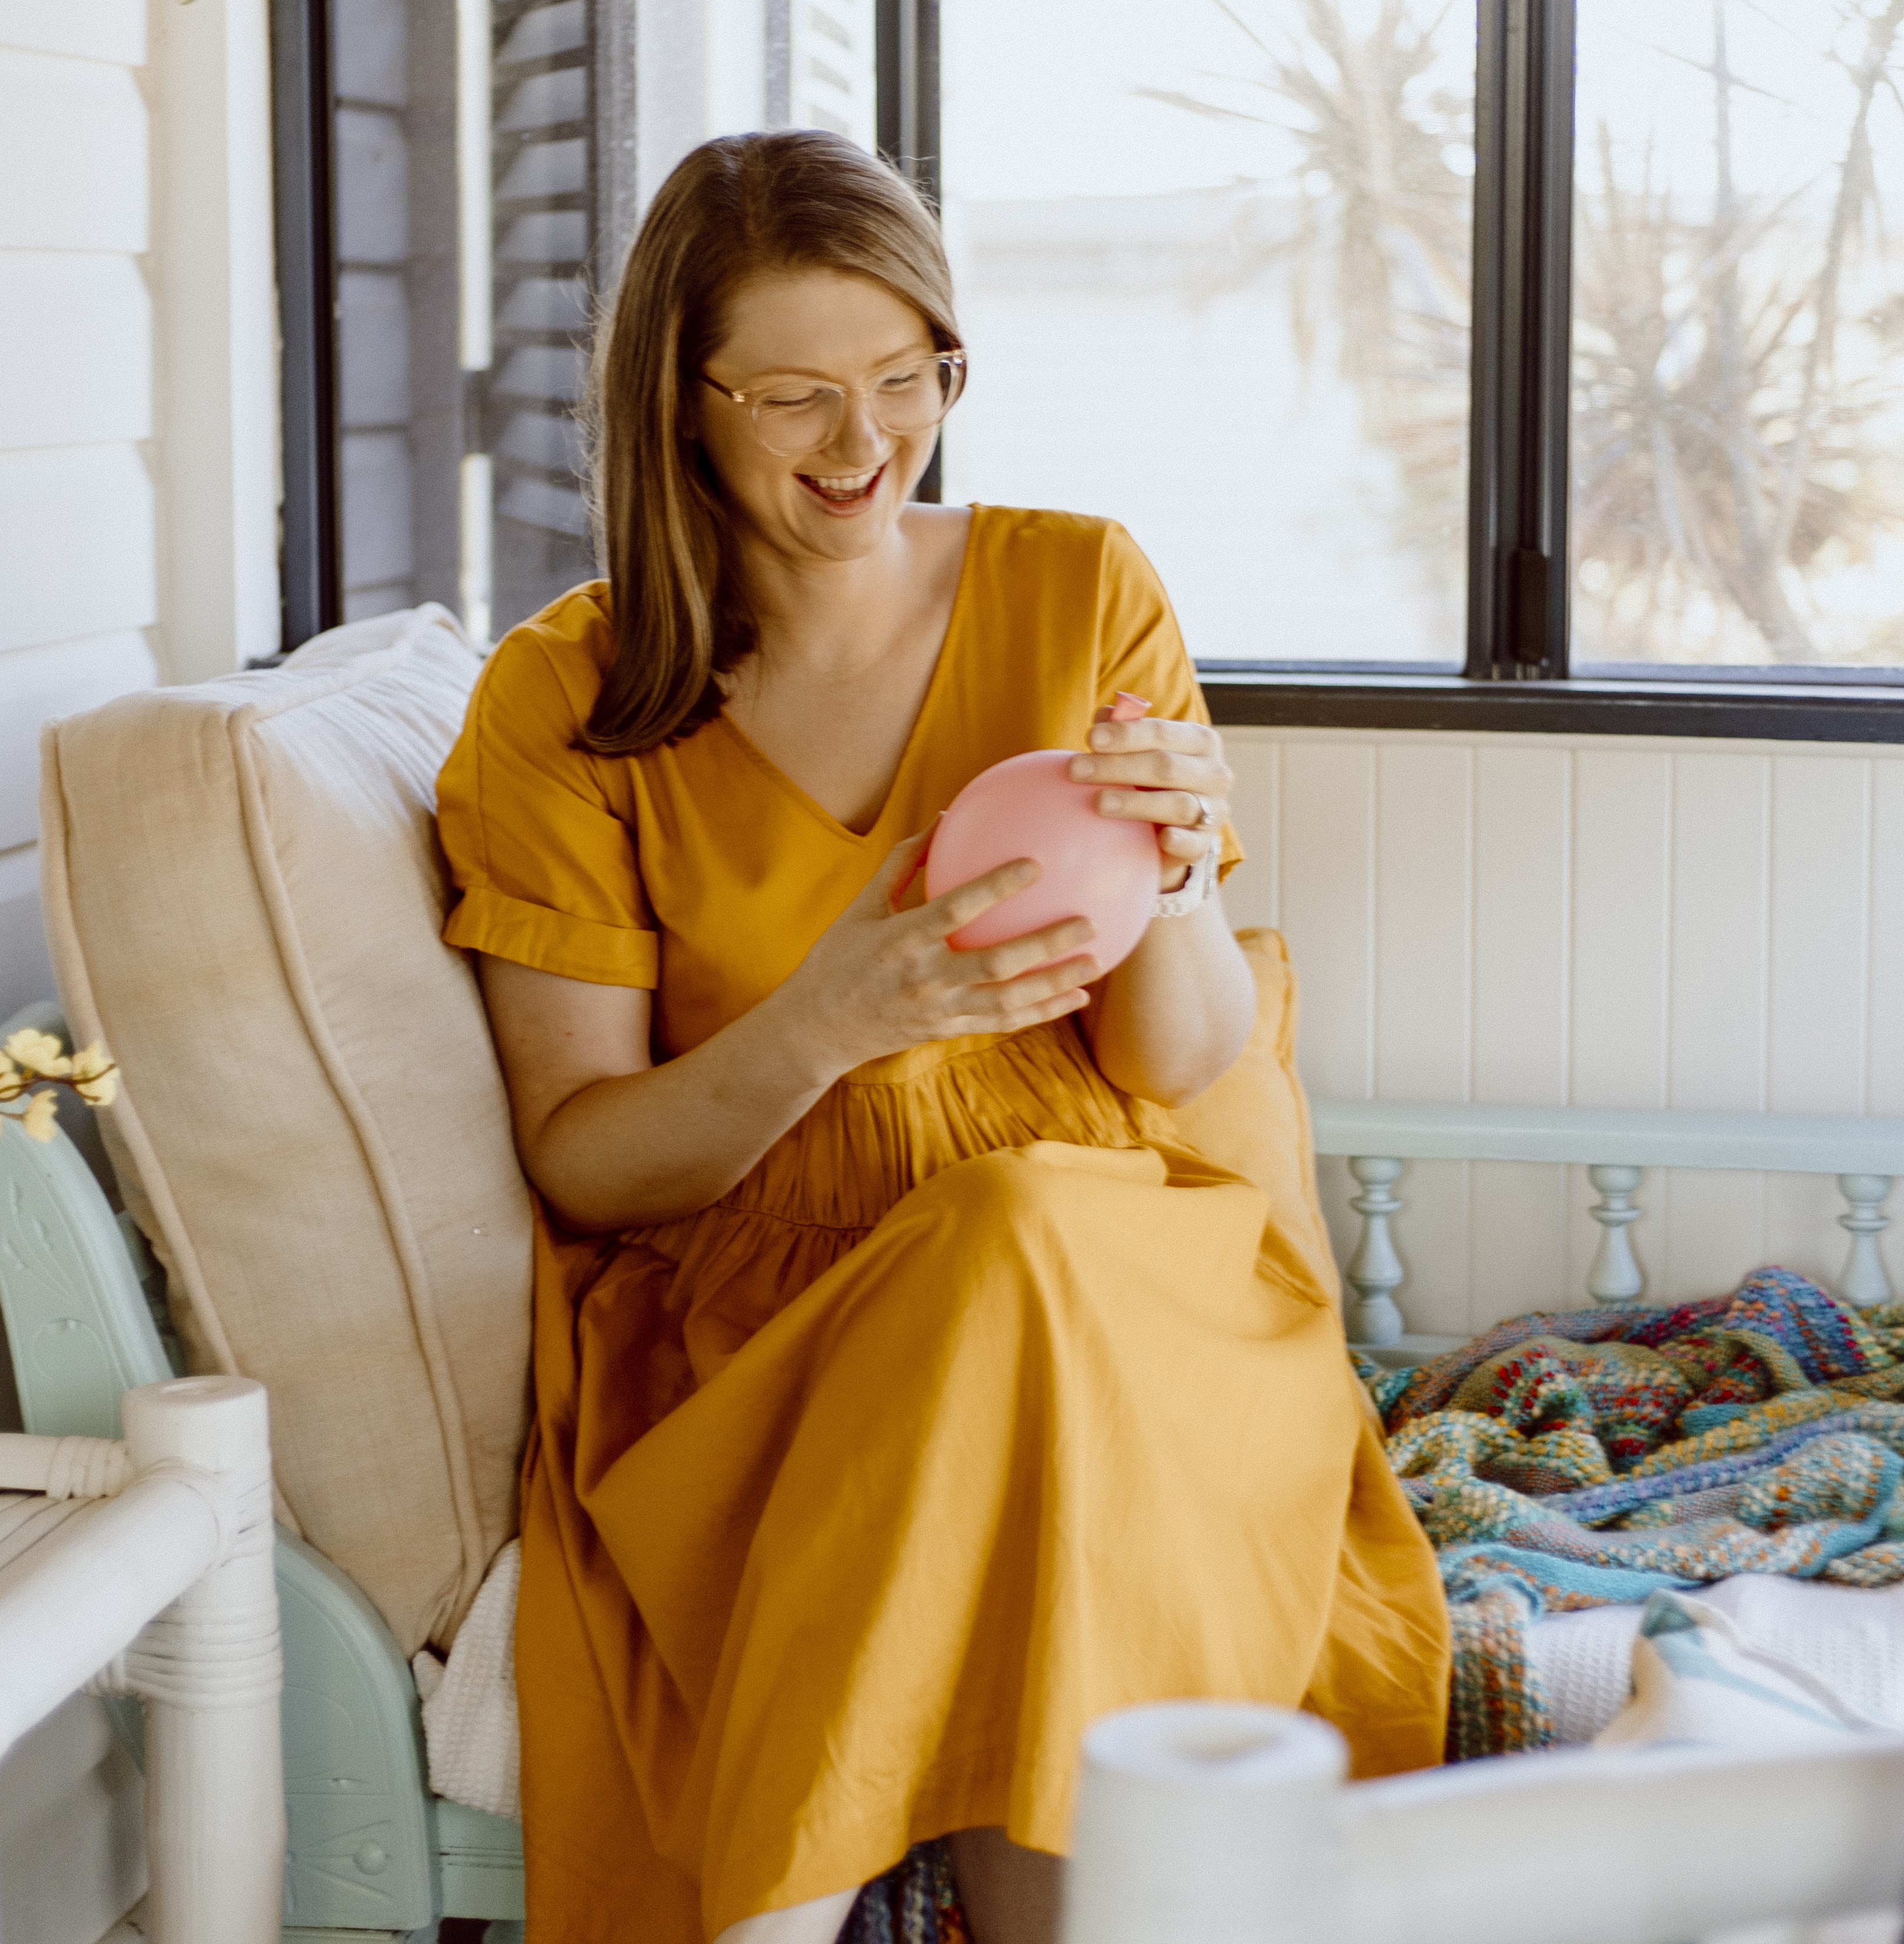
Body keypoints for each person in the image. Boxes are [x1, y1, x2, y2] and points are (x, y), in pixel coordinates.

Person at [435, 130, 1449, 1944]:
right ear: (679, 400)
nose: (866, 444)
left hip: (1125, 1270)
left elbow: (1176, 1060)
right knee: (1002, 1251)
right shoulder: (567, 702)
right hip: (775, 1316)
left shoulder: (1079, 589)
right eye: (800, 395)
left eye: (912, 379)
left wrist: (1183, 869)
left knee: (1026, 1230)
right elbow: (583, 1151)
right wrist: (829, 1020)